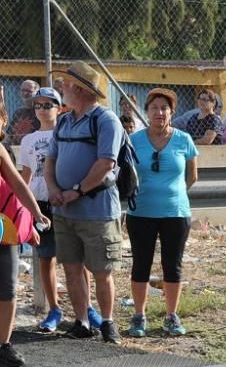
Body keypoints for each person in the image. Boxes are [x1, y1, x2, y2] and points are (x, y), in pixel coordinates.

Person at [44, 60, 125, 344]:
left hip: (97, 210)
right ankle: (81, 321)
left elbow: (106, 163)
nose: (61, 86)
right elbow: (50, 159)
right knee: (71, 266)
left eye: (65, 82)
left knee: (102, 271)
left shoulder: (106, 120)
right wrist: (53, 188)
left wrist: (76, 191)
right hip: (64, 210)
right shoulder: (64, 121)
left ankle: (108, 322)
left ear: (78, 87)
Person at [125, 88, 198, 338]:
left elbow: (192, 175)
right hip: (141, 212)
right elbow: (126, 174)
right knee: (140, 264)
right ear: (147, 112)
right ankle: (139, 316)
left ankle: (171, 316)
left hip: (175, 213)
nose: (159, 112)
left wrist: (174, 193)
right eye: (154, 108)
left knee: (172, 265)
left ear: (172, 112)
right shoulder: (134, 140)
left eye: (164, 108)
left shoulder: (184, 140)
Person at [0, 101, 51, 366]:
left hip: (3, 228)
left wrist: (34, 216)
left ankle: (4, 345)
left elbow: (18, 186)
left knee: (8, 288)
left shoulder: (0, 150)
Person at [17, 87, 64, 332]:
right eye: (38, 105)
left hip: (63, 200)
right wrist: (22, 206)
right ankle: (54, 308)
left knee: (76, 259)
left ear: (59, 108)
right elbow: (25, 175)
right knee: (45, 259)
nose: (43, 110)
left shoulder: (65, 134)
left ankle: (86, 309)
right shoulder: (28, 140)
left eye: (48, 105)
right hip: (40, 204)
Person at [8, 80, 40, 145]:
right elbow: (10, 133)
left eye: (29, 91)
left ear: (37, 93)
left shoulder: (40, 111)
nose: (25, 93)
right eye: (23, 90)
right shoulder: (18, 112)